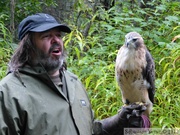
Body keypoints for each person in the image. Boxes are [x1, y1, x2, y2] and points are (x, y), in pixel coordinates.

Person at [0, 13, 150, 135]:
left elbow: (87, 129)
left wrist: (117, 122)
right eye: (46, 36)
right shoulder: (9, 92)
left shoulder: (73, 82)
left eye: (58, 35)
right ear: (28, 45)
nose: (56, 40)